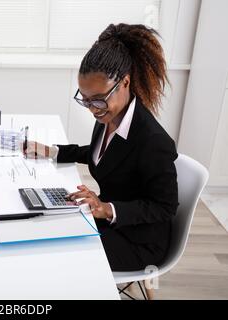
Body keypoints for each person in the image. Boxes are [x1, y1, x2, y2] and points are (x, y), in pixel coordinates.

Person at [24, 23, 179, 272]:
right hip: (111, 223)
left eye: (98, 99)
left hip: (139, 240)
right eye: (85, 100)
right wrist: (52, 151)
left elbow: (165, 207)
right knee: (46, 229)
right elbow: (103, 154)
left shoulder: (153, 141)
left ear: (125, 82)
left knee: (62, 255)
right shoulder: (109, 117)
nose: (93, 108)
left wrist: (106, 209)